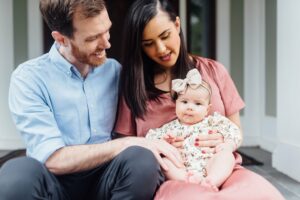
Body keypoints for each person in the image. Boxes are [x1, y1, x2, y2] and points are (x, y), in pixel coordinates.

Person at [0, 0, 184, 199]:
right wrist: (125, 144)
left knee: (142, 159)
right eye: (93, 38)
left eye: (107, 31)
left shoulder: (115, 71)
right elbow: (52, 159)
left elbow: (150, 113)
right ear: (61, 39)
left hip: (107, 179)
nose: (106, 43)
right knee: (16, 175)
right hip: (54, 182)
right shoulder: (29, 78)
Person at [114, 0, 284, 199]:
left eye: (165, 36)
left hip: (224, 171)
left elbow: (235, 129)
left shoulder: (214, 71)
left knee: (262, 194)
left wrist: (224, 142)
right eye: (148, 44)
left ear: (177, 25)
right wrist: (158, 145)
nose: (160, 49)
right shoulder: (134, 86)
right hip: (174, 176)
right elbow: (124, 144)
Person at [146, 68, 241, 191]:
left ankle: (211, 180)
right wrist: (164, 141)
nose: (190, 107)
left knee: (227, 156)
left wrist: (228, 145)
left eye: (198, 104)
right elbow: (150, 140)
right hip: (182, 167)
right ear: (176, 104)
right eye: (184, 102)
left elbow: (234, 131)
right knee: (166, 163)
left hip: (210, 163)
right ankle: (186, 180)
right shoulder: (170, 128)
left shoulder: (214, 122)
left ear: (207, 109)